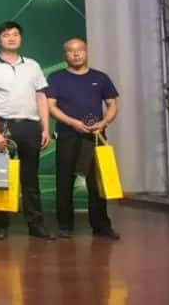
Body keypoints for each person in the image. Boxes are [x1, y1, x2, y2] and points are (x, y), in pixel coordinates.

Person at [0, 20, 54, 240]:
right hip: (4, 127)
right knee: (1, 179)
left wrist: (45, 128)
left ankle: (36, 225)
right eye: (6, 35)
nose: (11, 38)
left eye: (15, 34)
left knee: (31, 179)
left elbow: (41, 97)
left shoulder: (33, 65)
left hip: (30, 126)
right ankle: (1, 226)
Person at [46, 37, 121, 239]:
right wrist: (72, 122)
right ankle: (65, 226)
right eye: (71, 50)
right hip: (67, 135)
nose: (76, 53)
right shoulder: (56, 78)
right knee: (64, 181)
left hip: (95, 136)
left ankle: (101, 226)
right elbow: (51, 106)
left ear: (86, 52)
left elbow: (112, 105)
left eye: (80, 49)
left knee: (96, 182)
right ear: (65, 55)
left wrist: (104, 122)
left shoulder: (100, 77)